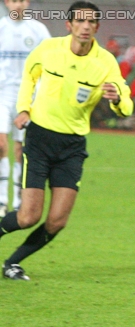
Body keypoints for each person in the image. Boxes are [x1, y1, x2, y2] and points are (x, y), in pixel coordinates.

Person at [0, 1, 133, 280]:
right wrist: (24, 108)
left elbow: (125, 99)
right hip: (39, 139)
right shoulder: (49, 50)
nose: (85, 27)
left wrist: (119, 100)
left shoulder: (105, 62)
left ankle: (12, 263)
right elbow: (29, 77)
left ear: (97, 27)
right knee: (28, 217)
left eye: (91, 22)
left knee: (57, 221)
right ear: (69, 25)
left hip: (72, 146)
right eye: (80, 22)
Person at [0, 0, 50, 218]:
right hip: (3, 94)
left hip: (27, 97)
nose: (17, 5)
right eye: (13, 1)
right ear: (6, 3)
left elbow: (48, 62)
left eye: (21, 0)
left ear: (27, 3)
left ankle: (19, 200)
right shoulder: (1, 27)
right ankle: (1, 200)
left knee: (21, 149)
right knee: (1, 144)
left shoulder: (38, 30)